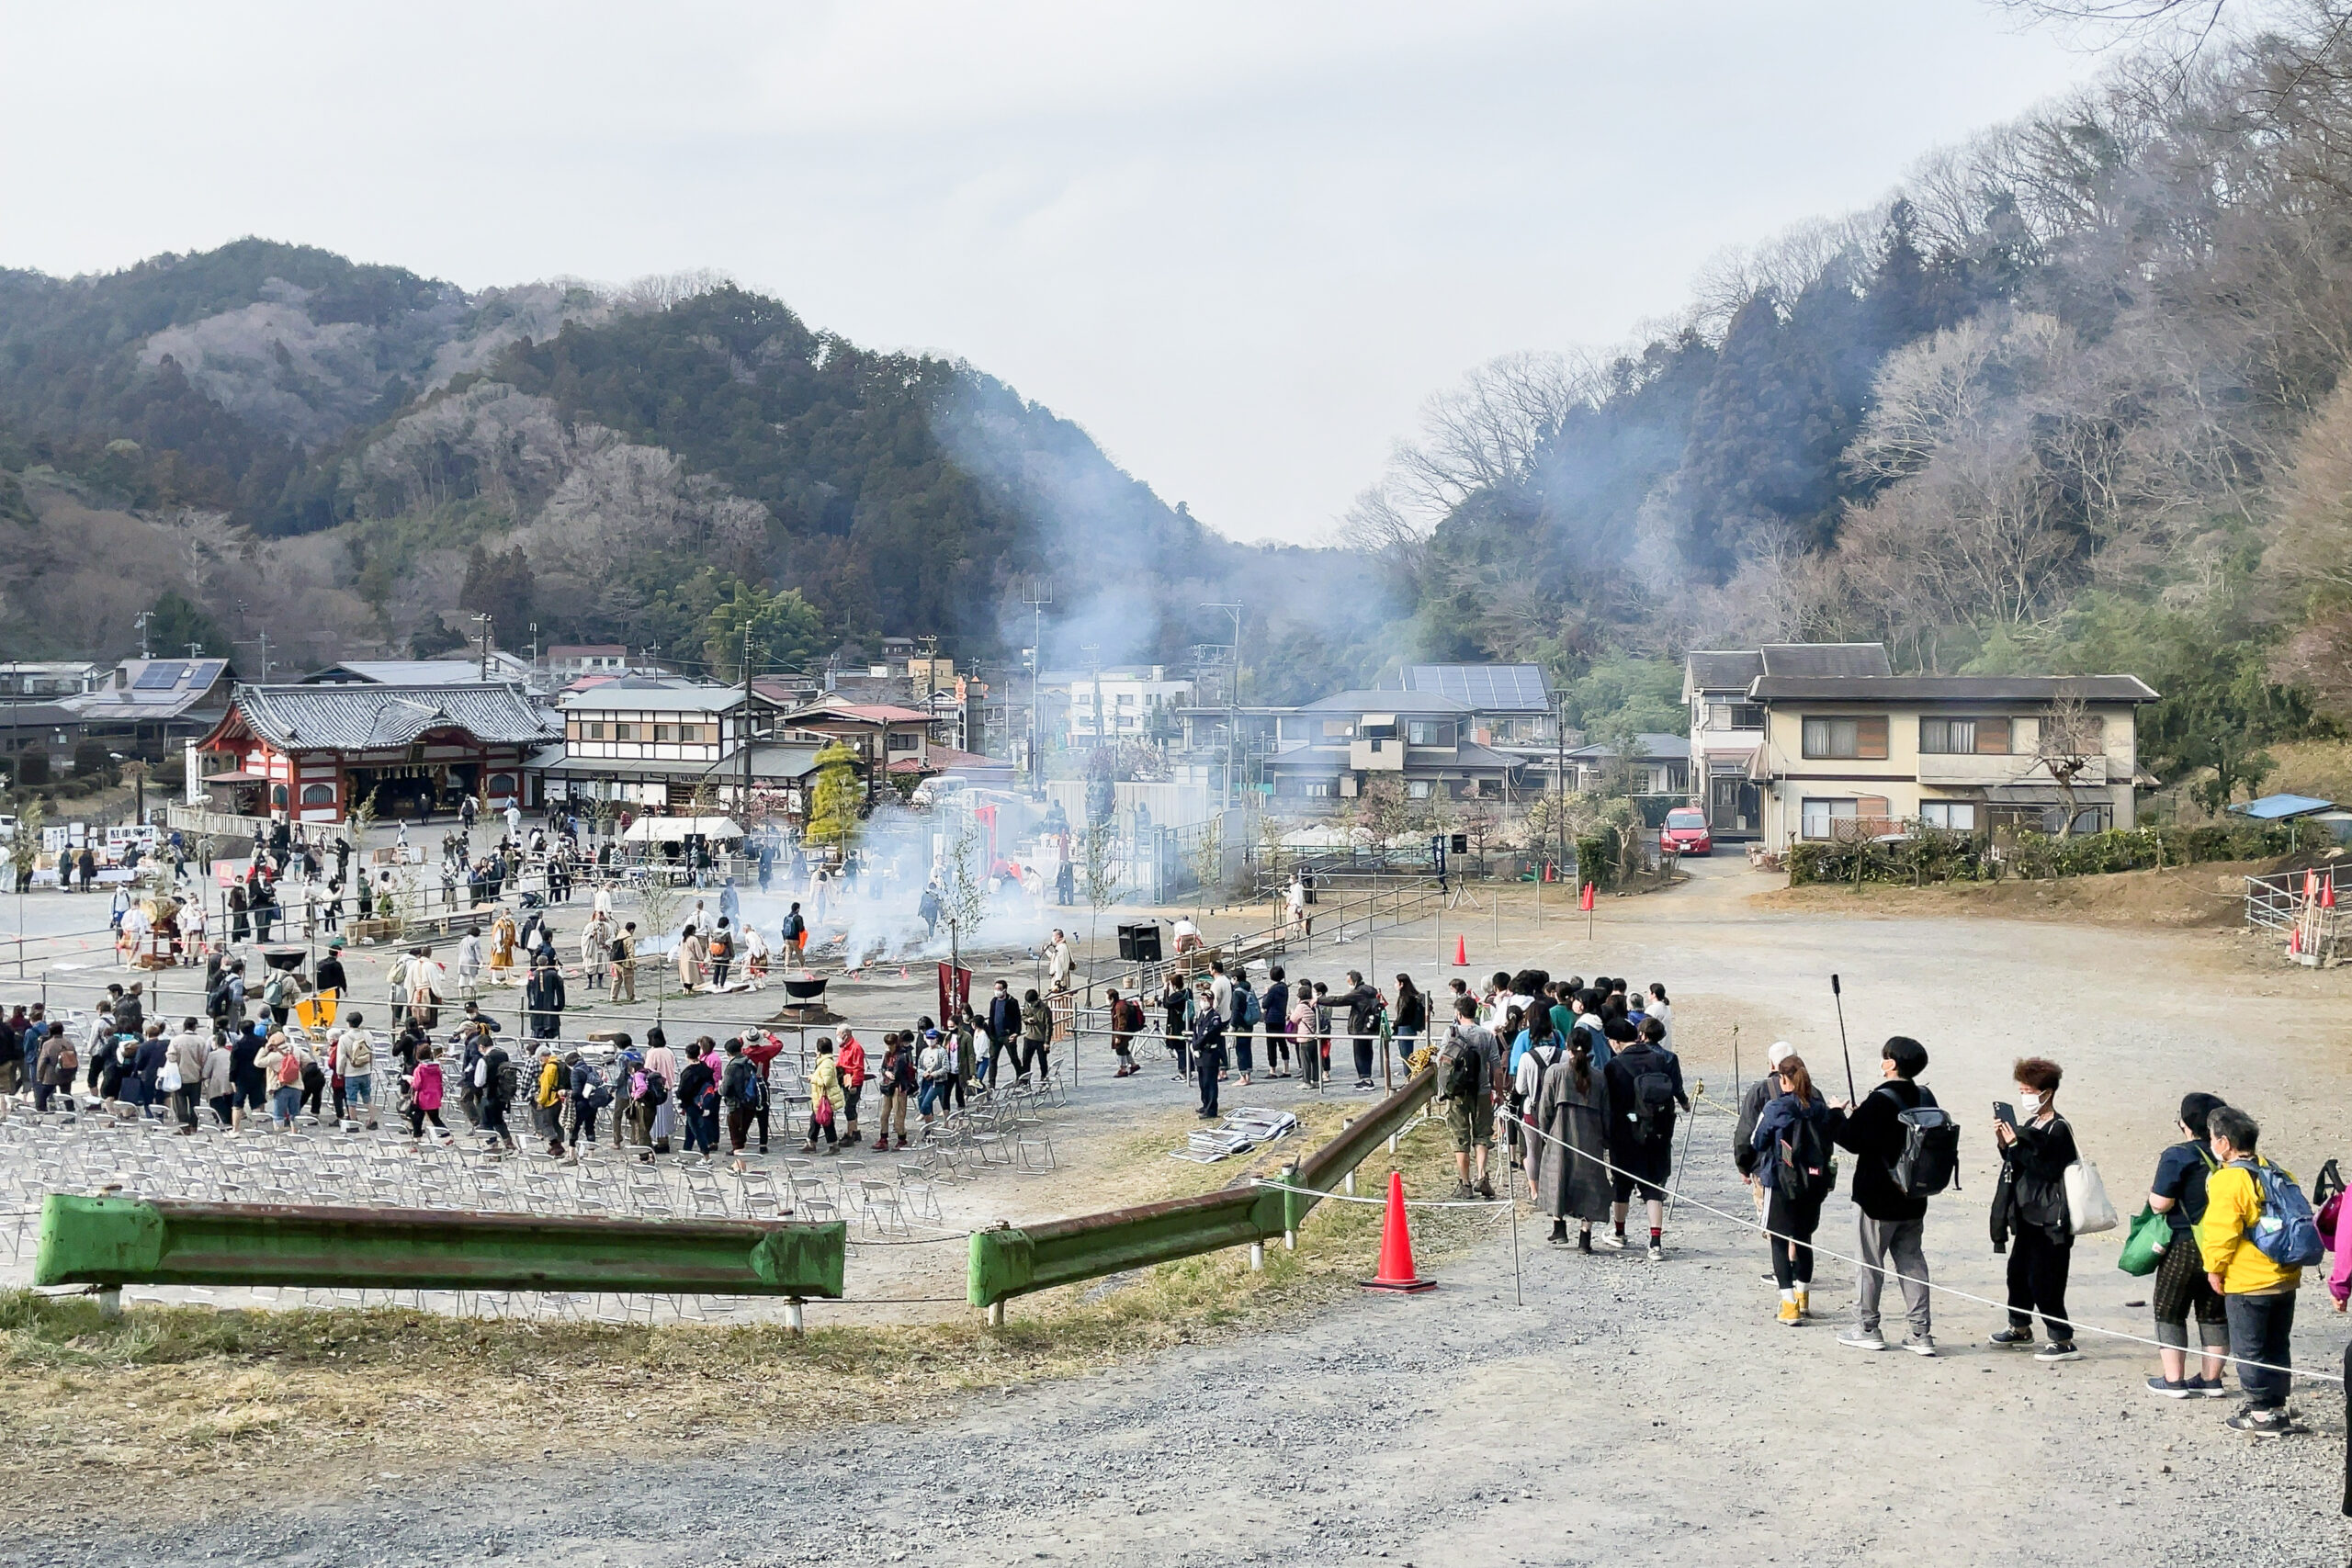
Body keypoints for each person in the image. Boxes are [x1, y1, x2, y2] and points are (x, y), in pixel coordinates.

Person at [1827, 1035, 1941, 1355]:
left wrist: (1837, 1112)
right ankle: (1921, 1334)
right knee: (1912, 1262)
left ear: (1891, 1063)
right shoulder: (1925, 1095)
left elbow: (1850, 1139)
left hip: (1876, 1198)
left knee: (1869, 1263)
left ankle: (1867, 1327)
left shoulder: (1881, 1100)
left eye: (1884, 1057)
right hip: (1914, 1195)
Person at [2199, 1105, 2308, 1435]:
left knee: (2250, 1347)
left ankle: (2260, 1413)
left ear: (2225, 1143)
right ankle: (2276, 1406)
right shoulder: (2277, 1172)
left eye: (2214, 1138)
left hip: (2249, 1280)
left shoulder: (2228, 1180)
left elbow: (2221, 1231)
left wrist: (2213, 1269)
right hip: (2285, 1275)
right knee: (2277, 1343)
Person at [1990, 1056, 2081, 1361]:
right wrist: (2005, 1144)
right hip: (2028, 1214)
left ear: (2047, 1092)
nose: (2025, 1096)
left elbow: (2047, 1168)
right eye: (2022, 1090)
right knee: (2017, 1274)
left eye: (2029, 1090)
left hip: (2051, 1217)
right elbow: (2016, 1163)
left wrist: (2016, 1145)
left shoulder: (2059, 1128)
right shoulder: (2031, 1123)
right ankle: (2019, 1326)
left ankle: (2062, 1338)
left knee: (2046, 1280)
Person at [2146, 1091, 2233, 1396]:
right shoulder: (2229, 1155)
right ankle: (2212, 1380)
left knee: (2169, 1310)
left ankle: (2173, 1380)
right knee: (2214, 1312)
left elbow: (2160, 1203)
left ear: (2185, 1123)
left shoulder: (2178, 1154)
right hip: (2223, 1246)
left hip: (2183, 1243)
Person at [1751, 1054, 1834, 1325]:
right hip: (1813, 1182)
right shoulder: (1821, 1108)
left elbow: (1758, 1140)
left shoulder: (1777, 1107)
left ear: (1783, 1079)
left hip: (1781, 1180)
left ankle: (1788, 1305)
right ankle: (1803, 1298)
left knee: (1778, 1240)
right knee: (1803, 1239)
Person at [1602, 1017, 1688, 1259]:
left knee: (1622, 1184)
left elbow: (1610, 1104)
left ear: (1617, 1042)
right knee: (1652, 1188)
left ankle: (1619, 1232)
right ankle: (1655, 1243)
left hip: (1625, 1134)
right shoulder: (1661, 1059)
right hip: (1657, 1131)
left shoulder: (1614, 1066)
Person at [1523, 1023, 1612, 1248]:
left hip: (1560, 1134)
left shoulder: (1556, 1072)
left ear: (1567, 1048)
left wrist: (1544, 1133)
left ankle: (1559, 1227)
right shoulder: (1599, 1078)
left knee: (1558, 1178)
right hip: (1590, 1139)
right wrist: (1606, 1140)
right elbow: (1607, 1113)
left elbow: (1544, 1109)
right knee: (1589, 1184)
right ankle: (1585, 1238)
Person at [1437, 997, 1502, 1199]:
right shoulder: (1486, 1035)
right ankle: (1482, 1176)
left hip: (1457, 1092)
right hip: (1482, 1091)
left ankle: (1465, 1183)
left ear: (1458, 1014)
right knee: (1482, 1133)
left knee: (1460, 1135)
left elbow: (1442, 1060)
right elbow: (1497, 1068)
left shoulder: (1451, 1033)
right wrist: (1498, 1091)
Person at [1325, 970, 1379, 1090]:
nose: (1348, 984)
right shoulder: (1371, 990)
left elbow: (1339, 1000)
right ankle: (1366, 1078)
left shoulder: (1358, 992)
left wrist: (1318, 1000)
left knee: (1360, 1054)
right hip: (1370, 1026)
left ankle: (1366, 1079)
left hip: (1360, 1027)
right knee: (1367, 1052)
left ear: (1354, 981)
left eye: (1349, 982)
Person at [1189, 981, 1227, 1120]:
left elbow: (1209, 1034)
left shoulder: (1215, 1017)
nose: (1203, 1002)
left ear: (1211, 1001)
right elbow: (1195, 1031)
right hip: (1200, 1054)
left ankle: (1211, 1109)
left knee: (1210, 1082)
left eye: (1206, 999)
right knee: (1202, 1082)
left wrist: (1197, 1045)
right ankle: (1205, 1104)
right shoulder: (1200, 1015)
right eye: (1202, 999)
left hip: (1209, 1053)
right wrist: (1194, 1045)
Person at [676, 1039, 719, 1163]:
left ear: (687, 1055)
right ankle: (685, 1154)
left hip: (691, 1104)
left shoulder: (688, 1073)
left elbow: (683, 1092)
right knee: (690, 1129)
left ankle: (706, 1157)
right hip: (703, 1101)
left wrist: (680, 1097)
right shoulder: (705, 1068)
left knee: (697, 1130)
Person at [802, 1038, 844, 1155]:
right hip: (820, 1098)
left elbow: (826, 1081)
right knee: (816, 1120)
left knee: (826, 1121)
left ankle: (833, 1145)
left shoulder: (826, 1064)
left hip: (824, 1098)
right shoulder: (824, 1062)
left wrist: (813, 1078)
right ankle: (812, 1142)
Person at [874, 1033, 915, 1152]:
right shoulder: (887, 1055)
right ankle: (883, 1138)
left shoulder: (901, 1056)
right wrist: (886, 1073)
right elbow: (883, 1068)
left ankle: (901, 1138)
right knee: (884, 1114)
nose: (888, 1047)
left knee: (898, 1114)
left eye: (889, 1045)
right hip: (888, 1087)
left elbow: (897, 1074)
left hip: (899, 1087)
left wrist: (889, 1073)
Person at [339, 1010, 379, 1130]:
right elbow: (371, 1051)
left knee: (351, 1098)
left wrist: (340, 1072)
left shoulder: (344, 1038)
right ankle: (373, 1120)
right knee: (367, 1096)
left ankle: (353, 1123)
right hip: (365, 1070)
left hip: (351, 1072)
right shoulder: (367, 1035)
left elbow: (341, 1057)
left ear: (348, 1023)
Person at [407, 1043, 450, 1142]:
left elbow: (417, 1085)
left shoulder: (419, 1069)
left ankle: (417, 1140)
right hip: (435, 1096)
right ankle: (447, 1137)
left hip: (422, 1098)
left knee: (417, 1119)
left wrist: (410, 1081)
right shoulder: (437, 1068)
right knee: (435, 1118)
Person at [989, 981, 1024, 1088]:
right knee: (993, 1059)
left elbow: (1018, 1019)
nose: (997, 991)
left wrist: (1016, 1033)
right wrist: (990, 1033)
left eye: (999, 989)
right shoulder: (994, 1001)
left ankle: (1021, 1077)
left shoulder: (1012, 1002)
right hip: (996, 1036)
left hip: (1008, 1035)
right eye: (995, 988)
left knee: (1013, 1057)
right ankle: (991, 1083)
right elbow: (991, 1017)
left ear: (1004, 990)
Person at [836, 1029, 868, 1145]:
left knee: (849, 1108)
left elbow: (858, 1068)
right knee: (851, 1107)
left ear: (846, 1035)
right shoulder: (844, 1047)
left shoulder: (856, 1048)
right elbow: (840, 1062)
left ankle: (850, 1135)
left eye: (838, 1035)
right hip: (845, 1078)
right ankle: (855, 1131)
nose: (837, 1038)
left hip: (852, 1081)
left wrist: (854, 1084)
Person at [526, 955, 565, 1042]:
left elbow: (529, 991)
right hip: (550, 1004)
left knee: (538, 1029)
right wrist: (559, 1004)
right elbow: (560, 987)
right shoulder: (553, 975)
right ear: (547, 962)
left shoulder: (532, 975)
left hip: (537, 1005)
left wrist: (531, 1004)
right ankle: (551, 1046)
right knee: (551, 1029)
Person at [1261, 965, 1292, 1078]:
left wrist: (1266, 993)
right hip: (1281, 1018)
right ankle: (1286, 1068)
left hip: (1271, 1019)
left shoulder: (1273, 989)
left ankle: (1272, 1070)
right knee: (1282, 1043)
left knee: (1271, 1045)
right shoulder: (1284, 987)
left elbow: (1265, 1004)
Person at [1106, 987, 1143, 1077]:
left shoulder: (1120, 1007)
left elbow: (1122, 1023)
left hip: (1123, 1032)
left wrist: (1118, 1036)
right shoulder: (1118, 1005)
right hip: (1124, 1031)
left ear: (1112, 998)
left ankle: (1123, 1069)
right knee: (1124, 1048)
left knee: (1120, 1049)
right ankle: (1133, 1065)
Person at [1019, 988, 1052, 1089]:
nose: (1030, 1005)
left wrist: (1047, 1042)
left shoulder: (1044, 1008)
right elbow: (1023, 1015)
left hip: (1041, 1039)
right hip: (1029, 1037)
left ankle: (1044, 1080)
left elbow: (1049, 1026)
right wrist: (1027, 1020)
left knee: (1042, 1061)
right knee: (1026, 1061)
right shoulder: (1027, 1005)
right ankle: (1025, 1082)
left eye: (1032, 1003)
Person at [1392, 974, 1425, 1072]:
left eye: (1396, 982)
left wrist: (1394, 1024)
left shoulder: (1405, 998)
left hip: (1404, 1029)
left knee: (1406, 1056)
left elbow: (1401, 1016)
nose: (1395, 985)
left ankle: (1409, 1078)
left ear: (1401, 984)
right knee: (1408, 1055)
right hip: (1411, 1028)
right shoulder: (1413, 997)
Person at [1160, 974, 1191, 1079]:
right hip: (1186, 1023)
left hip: (1177, 1025)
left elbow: (1166, 1003)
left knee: (1180, 1048)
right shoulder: (1188, 992)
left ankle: (1183, 1072)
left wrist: (1165, 988)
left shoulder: (1177, 996)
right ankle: (1188, 1070)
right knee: (1185, 1047)